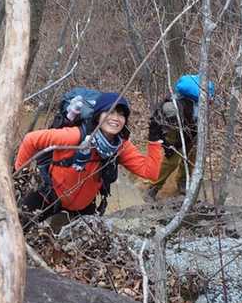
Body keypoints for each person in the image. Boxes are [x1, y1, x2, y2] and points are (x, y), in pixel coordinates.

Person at [14, 92, 164, 228]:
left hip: (84, 208)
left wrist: (154, 141)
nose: (115, 118)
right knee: (15, 227)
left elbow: (150, 173)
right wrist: (20, 177)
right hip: (48, 196)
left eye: (121, 114)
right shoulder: (75, 136)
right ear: (98, 115)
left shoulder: (121, 146)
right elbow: (30, 140)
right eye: (110, 111)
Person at [148, 74, 215, 200]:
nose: (210, 103)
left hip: (191, 130)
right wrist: (165, 145)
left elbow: (195, 124)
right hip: (175, 132)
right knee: (171, 160)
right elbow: (154, 124)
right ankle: (152, 187)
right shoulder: (171, 108)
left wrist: (192, 139)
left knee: (191, 156)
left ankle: (183, 181)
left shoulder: (198, 106)